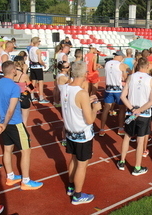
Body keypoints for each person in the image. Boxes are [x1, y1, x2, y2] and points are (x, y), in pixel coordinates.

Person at [0, 60, 43, 190]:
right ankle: (25, 181)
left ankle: (10, 177)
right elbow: (11, 109)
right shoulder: (14, 86)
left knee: (7, 149)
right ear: (13, 70)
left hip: (3, 124)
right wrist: (3, 123)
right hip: (14, 123)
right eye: (15, 69)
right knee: (26, 151)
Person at [60, 61, 101, 205]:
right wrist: (95, 108)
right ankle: (77, 195)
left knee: (73, 159)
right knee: (82, 165)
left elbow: (73, 104)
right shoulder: (82, 93)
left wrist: (86, 102)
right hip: (82, 134)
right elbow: (90, 120)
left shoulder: (64, 87)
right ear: (84, 74)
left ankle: (71, 187)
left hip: (70, 132)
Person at [118, 57, 152, 176]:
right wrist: (139, 110)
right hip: (144, 114)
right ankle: (137, 167)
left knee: (127, 137)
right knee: (140, 140)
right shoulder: (150, 80)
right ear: (148, 66)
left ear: (138, 65)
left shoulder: (131, 77)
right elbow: (151, 101)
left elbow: (123, 97)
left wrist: (133, 109)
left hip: (131, 113)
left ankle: (122, 161)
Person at [99, 51, 128, 137]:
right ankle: (120, 128)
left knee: (106, 109)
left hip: (108, 89)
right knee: (122, 108)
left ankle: (101, 129)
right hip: (118, 89)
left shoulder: (107, 63)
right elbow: (125, 77)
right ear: (120, 57)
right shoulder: (120, 65)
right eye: (122, 58)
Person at [13, 56, 33, 126]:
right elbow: (31, 87)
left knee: (14, 119)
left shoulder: (11, 74)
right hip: (23, 97)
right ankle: (24, 136)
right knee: (24, 119)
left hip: (14, 98)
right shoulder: (24, 75)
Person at [28, 37, 49, 103]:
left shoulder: (30, 49)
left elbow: (29, 59)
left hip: (32, 67)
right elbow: (39, 60)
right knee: (40, 83)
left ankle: (31, 96)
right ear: (37, 42)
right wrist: (44, 64)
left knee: (33, 82)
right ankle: (41, 97)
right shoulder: (38, 50)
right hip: (38, 67)